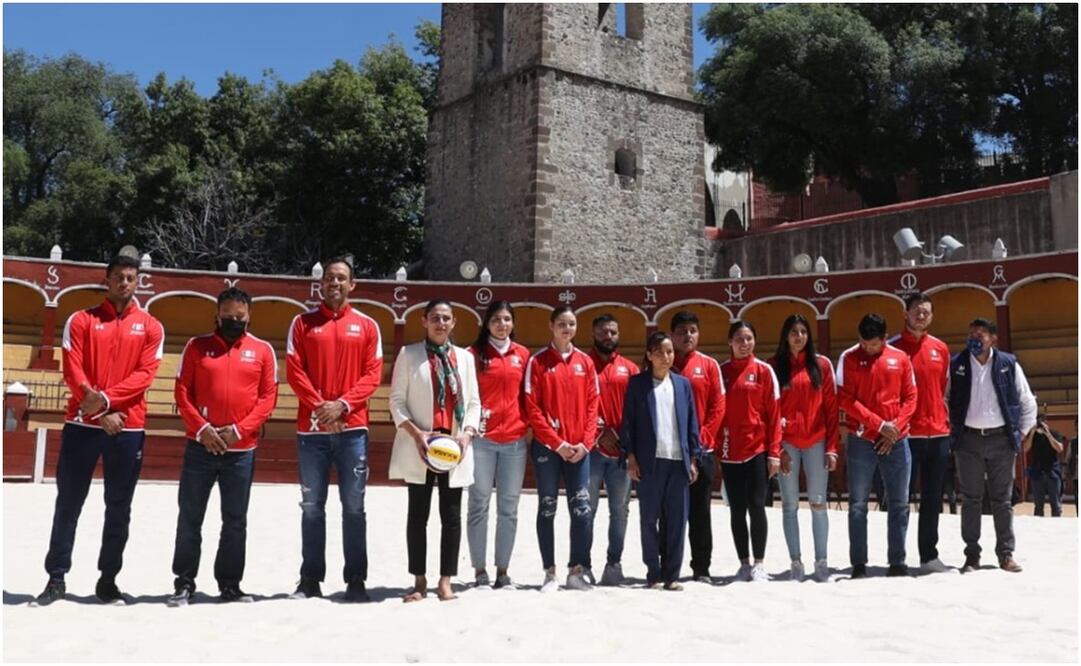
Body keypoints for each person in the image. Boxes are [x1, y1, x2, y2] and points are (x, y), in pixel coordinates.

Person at [34, 254, 165, 606]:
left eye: (131, 277)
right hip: (82, 424)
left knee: (118, 506)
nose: (125, 282)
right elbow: (73, 371)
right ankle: (56, 577)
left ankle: (108, 580)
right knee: (69, 503)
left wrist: (105, 402)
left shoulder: (152, 326)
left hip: (127, 426)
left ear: (138, 282)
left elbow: (145, 376)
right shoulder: (81, 320)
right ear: (106, 280)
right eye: (119, 276)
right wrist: (99, 409)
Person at [168, 288, 278, 606]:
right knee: (190, 516)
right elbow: (182, 392)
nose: (233, 321)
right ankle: (184, 582)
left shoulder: (262, 350)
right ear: (217, 314)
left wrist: (239, 430)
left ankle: (229, 584)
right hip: (200, 446)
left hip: (241, 450)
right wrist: (202, 429)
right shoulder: (196, 346)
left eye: (239, 317)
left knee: (235, 520)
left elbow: (267, 397)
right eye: (227, 316)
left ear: (249, 316)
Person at [286, 255, 383, 602]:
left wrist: (341, 406)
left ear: (352, 285)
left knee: (354, 507)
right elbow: (295, 372)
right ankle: (310, 579)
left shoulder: (368, 326)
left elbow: (373, 375)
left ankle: (355, 579)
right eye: (329, 277)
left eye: (342, 278)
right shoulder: (301, 323)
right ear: (320, 283)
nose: (335, 283)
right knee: (312, 506)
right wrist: (320, 407)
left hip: (353, 430)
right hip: (311, 432)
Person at [389, 300, 481, 602]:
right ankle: (419, 580)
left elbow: (474, 403)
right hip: (422, 446)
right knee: (418, 515)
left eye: (446, 318)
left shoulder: (465, 358)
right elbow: (396, 402)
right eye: (435, 318)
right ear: (424, 321)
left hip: (453, 447)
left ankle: (445, 580)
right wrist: (417, 435)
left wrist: (466, 436)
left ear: (453, 322)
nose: (441, 324)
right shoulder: (409, 354)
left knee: (451, 516)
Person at [949, 317, 1037, 573]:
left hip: (1000, 439)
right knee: (971, 498)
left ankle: (1005, 554)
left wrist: (1020, 432)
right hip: (968, 440)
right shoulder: (956, 364)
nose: (975, 338)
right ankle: (972, 555)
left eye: (981, 334)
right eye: (971, 333)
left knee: (1002, 499)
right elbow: (945, 398)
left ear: (993, 338)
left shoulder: (1008, 363)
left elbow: (1027, 400)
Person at [524, 305, 600, 592]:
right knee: (547, 507)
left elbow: (593, 405)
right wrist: (557, 443)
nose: (567, 329)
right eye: (562, 324)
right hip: (548, 450)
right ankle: (549, 573)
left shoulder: (586, 363)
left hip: (580, 451)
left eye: (571, 324)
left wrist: (585, 443)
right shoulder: (538, 362)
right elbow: (533, 408)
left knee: (582, 509)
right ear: (551, 326)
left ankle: (575, 571)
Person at [837, 313, 917, 578]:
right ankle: (859, 563)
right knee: (858, 503)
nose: (868, 348)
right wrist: (879, 425)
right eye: (864, 342)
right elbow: (846, 400)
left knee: (899, 503)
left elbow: (911, 398)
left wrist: (892, 429)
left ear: (885, 338)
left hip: (897, 439)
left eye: (873, 344)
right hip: (862, 439)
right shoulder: (849, 357)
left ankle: (897, 562)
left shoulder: (901, 358)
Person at [621, 332, 701, 590]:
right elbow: (629, 423)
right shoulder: (637, 384)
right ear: (649, 355)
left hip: (678, 461)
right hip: (649, 462)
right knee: (648, 519)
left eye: (669, 352)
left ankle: (672, 574)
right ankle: (653, 572)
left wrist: (693, 459)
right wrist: (631, 456)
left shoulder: (682, 384)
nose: (665, 357)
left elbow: (691, 423)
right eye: (659, 352)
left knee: (677, 520)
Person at [465, 301, 531, 590]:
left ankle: (502, 570)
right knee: (479, 504)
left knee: (509, 507)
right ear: (486, 323)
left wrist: (526, 426)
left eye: (506, 319)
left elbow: (529, 395)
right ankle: (480, 570)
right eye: (496, 319)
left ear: (513, 323)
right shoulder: (473, 354)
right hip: (482, 441)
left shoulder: (523, 355)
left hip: (514, 441)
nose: (502, 324)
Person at [769, 314, 838, 583]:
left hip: (816, 442)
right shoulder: (774, 367)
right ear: (785, 336)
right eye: (794, 332)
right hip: (787, 444)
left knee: (818, 503)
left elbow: (831, 411)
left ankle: (821, 563)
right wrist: (777, 449)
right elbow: (771, 412)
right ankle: (795, 562)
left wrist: (832, 448)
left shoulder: (821, 365)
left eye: (803, 332)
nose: (799, 337)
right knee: (789, 505)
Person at [889, 293, 953, 573]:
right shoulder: (892, 349)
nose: (921, 315)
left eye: (926, 312)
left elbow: (943, 389)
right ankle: (898, 557)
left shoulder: (941, 348)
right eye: (916, 311)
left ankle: (928, 555)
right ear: (905, 313)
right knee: (900, 499)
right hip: (906, 435)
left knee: (932, 498)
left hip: (937, 433)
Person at [719, 320, 782, 582]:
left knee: (757, 506)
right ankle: (743, 563)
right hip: (729, 451)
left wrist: (774, 453)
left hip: (757, 450)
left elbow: (775, 415)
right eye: (739, 339)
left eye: (749, 339)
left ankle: (759, 563)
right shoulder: (720, 371)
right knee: (736, 510)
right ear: (730, 343)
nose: (745, 344)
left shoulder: (764, 371)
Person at [669, 311, 725, 582]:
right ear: (671, 335)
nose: (687, 335)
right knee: (669, 512)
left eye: (692, 330)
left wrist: (703, 436)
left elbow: (718, 405)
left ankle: (701, 568)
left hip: (702, 451)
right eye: (681, 331)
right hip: (669, 452)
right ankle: (668, 566)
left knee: (700, 512)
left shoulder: (709, 365)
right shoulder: (661, 364)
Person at [586, 314, 640, 586]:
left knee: (620, 510)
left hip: (621, 451)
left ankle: (613, 563)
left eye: (613, 332)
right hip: (592, 451)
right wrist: (598, 434)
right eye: (603, 332)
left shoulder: (630, 369)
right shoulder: (583, 365)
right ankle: (583, 564)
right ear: (594, 334)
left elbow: (637, 411)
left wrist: (624, 438)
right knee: (587, 508)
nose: (608, 336)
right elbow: (578, 406)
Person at [1025, 409, 1066, 517]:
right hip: (1037, 474)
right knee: (1038, 507)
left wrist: (1048, 434)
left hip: (1052, 473)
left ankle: (1057, 529)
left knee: (1056, 506)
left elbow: (1060, 448)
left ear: (1046, 422)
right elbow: (1025, 449)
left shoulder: (1054, 433)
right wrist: (1032, 432)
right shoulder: (1033, 436)